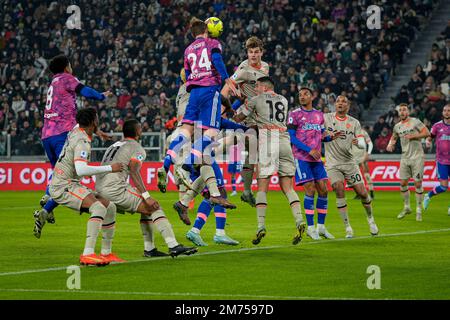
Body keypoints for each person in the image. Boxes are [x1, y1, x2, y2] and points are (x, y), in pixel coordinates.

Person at [157, 17, 238, 210]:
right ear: (207, 30)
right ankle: (189, 162)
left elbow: (187, 71)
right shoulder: (212, 43)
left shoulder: (187, 50)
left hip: (192, 91)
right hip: (209, 90)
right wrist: (227, 80)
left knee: (185, 130)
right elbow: (217, 60)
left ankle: (167, 162)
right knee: (211, 131)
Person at [34, 108, 126, 266]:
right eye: (96, 119)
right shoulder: (82, 141)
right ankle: (88, 254)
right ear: (92, 122)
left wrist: (98, 132)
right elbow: (81, 169)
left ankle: (106, 253)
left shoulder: (76, 129)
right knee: (98, 208)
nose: (98, 121)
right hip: (63, 185)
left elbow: (80, 169)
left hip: (69, 182)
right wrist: (111, 168)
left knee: (109, 207)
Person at [95, 119, 198, 257]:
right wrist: (147, 196)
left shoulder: (114, 145)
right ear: (137, 131)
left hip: (100, 188)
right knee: (154, 206)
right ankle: (173, 245)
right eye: (140, 129)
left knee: (146, 210)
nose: (141, 130)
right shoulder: (136, 147)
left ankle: (150, 249)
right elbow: (133, 170)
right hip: (115, 189)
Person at [35, 54, 112, 227]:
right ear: (66, 67)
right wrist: (101, 96)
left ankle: (47, 205)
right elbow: (85, 91)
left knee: (58, 172)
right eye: (70, 65)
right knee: (68, 176)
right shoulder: (66, 78)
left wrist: (97, 131)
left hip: (47, 134)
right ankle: (47, 201)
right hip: (62, 133)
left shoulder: (53, 83)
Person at [234, 77, 306, 245]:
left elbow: (238, 118)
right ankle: (299, 220)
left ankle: (260, 226)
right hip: (284, 141)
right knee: (288, 187)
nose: (256, 88)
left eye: (257, 85)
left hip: (268, 140)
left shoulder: (256, 99)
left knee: (262, 186)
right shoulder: (283, 99)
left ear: (264, 86)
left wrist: (237, 104)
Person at [221, 36, 270, 207]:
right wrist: (221, 110)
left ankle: (247, 191)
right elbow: (227, 88)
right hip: (247, 116)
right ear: (247, 53)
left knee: (253, 153)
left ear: (261, 52)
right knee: (244, 144)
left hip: (260, 115)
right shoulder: (243, 69)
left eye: (256, 52)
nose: (254, 55)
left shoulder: (265, 67)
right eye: (251, 52)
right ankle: (205, 153)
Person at [324, 96, 379, 238]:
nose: (340, 103)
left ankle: (371, 219)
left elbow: (361, 141)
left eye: (344, 102)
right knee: (338, 188)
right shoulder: (325, 118)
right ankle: (347, 227)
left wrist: (358, 143)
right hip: (333, 163)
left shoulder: (354, 122)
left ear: (348, 106)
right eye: (338, 101)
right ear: (335, 105)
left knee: (362, 193)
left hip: (349, 163)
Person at [287, 87, 336, 240]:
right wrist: (308, 150)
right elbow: (291, 138)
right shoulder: (294, 114)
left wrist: (330, 138)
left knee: (323, 190)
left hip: (316, 159)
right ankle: (310, 228)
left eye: (305, 94)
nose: (302, 97)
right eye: (300, 95)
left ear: (312, 96)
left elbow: (321, 135)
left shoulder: (319, 115)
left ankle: (321, 227)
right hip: (301, 158)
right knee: (310, 190)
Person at [387, 103, 430, 221]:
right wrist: (390, 144)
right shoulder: (397, 126)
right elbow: (394, 136)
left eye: (404, 110)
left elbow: (427, 133)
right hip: (405, 157)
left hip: (417, 157)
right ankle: (406, 207)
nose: (402, 112)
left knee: (417, 184)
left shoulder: (415, 121)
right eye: (400, 110)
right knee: (403, 183)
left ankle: (418, 210)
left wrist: (414, 136)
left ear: (408, 112)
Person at [423, 104, 450, 211]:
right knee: (443, 187)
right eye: (445, 110)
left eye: (449, 110)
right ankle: (428, 195)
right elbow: (429, 138)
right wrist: (428, 142)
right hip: (442, 160)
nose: (447, 112)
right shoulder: (437, 126)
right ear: (442, 112)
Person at [352, 126, 375, 199]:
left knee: (366, 174)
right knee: (355, 177)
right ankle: (359, 193)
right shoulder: (349, 132)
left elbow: (370, 143)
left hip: (362, 156)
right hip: (354, 157)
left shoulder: (363, 132)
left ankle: (371, 193)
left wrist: (368, 154)